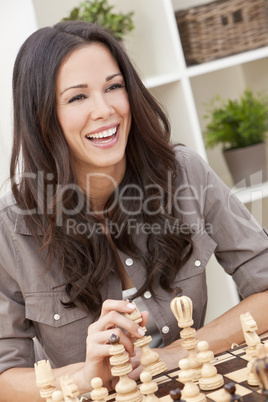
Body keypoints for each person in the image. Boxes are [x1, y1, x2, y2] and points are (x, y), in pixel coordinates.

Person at [0, 20, 268, 401]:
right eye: (78, 97)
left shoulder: (183, 172)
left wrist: (178, 353)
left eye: (114, 87)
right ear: (41, 115)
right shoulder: (10, 225)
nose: (105, 109)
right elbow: (5, 375)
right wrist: (84, 377)